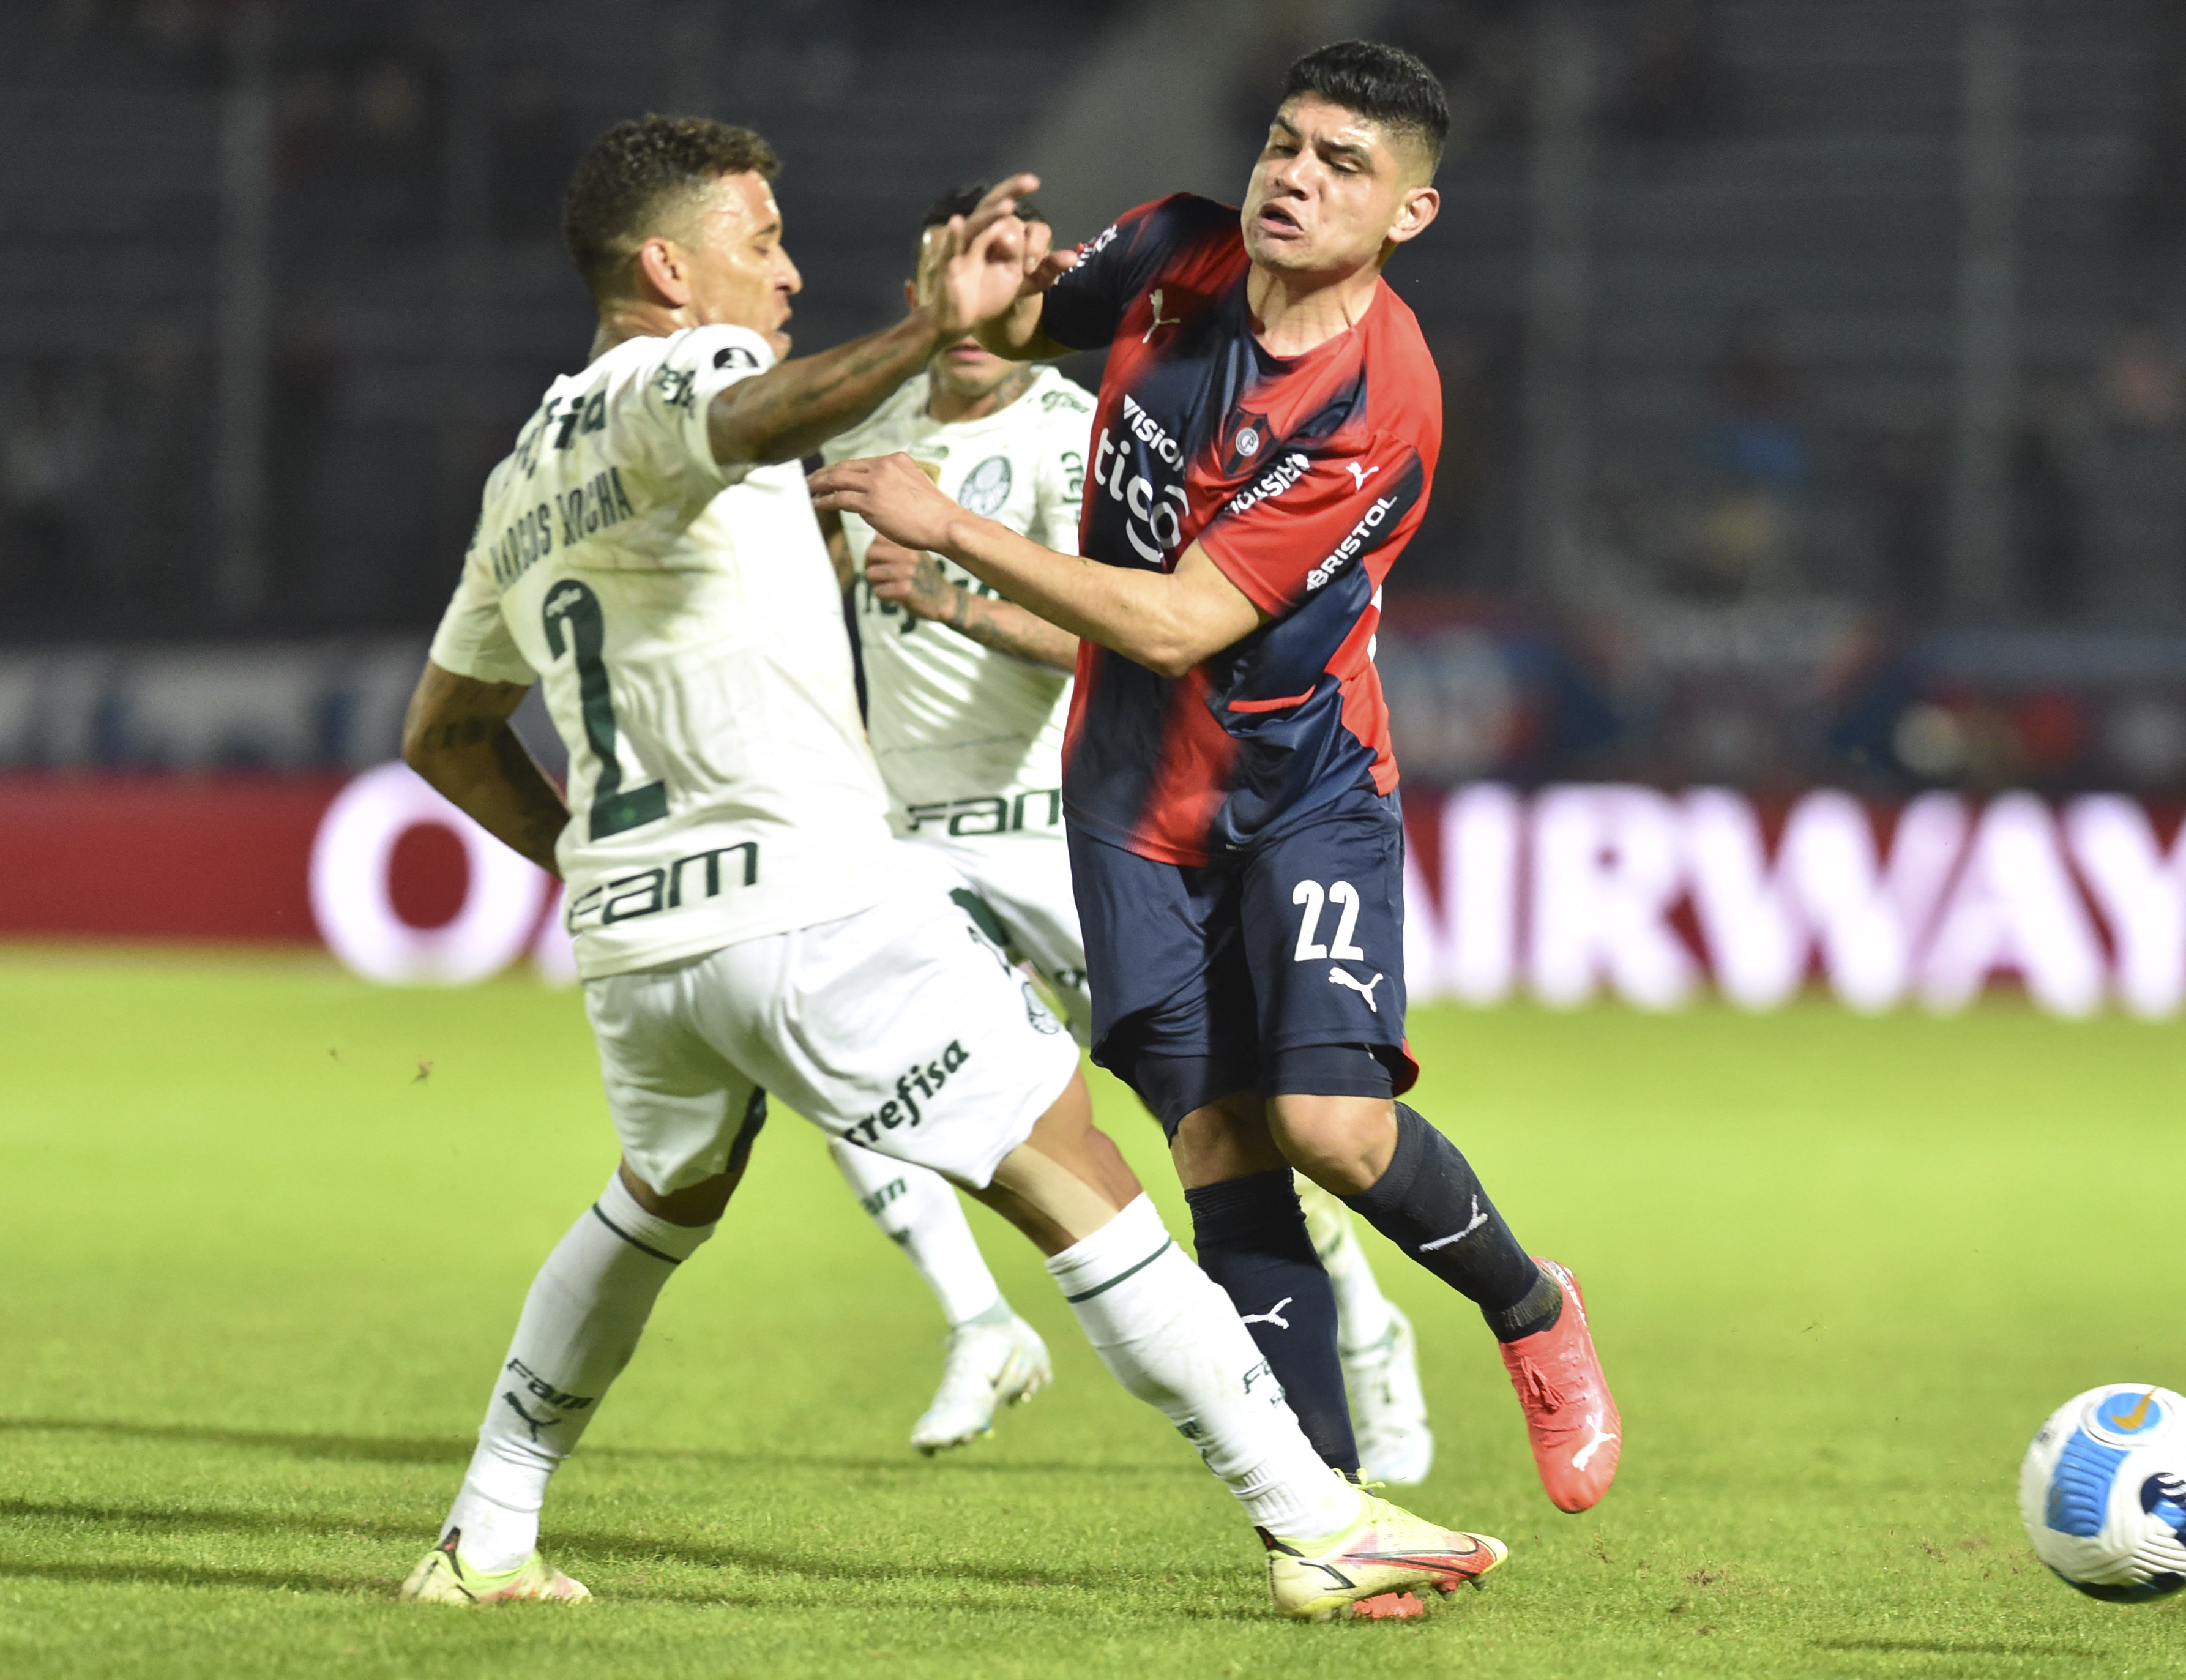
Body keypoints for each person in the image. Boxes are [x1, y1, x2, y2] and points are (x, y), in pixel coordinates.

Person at [394, 113, 1504, 1619]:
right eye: (762, 242)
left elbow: (446, 734)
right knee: (1082, 1173)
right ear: (666, 268)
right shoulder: (697, 371)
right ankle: (1314, 1517)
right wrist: (931, 325)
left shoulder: (526, 470)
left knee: (658, 1200)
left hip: (636, 943)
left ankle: (488, 1529)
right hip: (811, 896)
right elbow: (747, 419)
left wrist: (592, 864)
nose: (787, 275)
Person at [815, 41, 1620, 1513]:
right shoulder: (1179, 244)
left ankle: (1527, 1304)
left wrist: (951, 528)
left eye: (1342, 166)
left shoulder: (1381, 399)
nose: (1295, 179)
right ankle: (1327, 1510)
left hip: (1298, 778)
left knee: (1330, 1126)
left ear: (1407, 217)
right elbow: (1024, 312)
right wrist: (974, 285)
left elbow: (1181, 621)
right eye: (1285, 144)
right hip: (1129, 797)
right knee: (1221, 1152)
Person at [817, 181, 1437, 1480]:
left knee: (1226, 1116)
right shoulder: (873, 438)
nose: (978, 325)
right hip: (914, 834)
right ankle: (977, 1321)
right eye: (946, 283)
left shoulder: (1067, 430)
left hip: (1062, 818)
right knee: (851, 1051)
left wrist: (955, 596)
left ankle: (1365, 1329)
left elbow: (1134, 645)